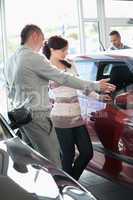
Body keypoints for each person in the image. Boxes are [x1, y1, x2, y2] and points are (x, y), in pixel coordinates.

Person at [4, 24, 115, 169]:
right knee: (54, 163)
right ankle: (60, 190)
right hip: (38, 116)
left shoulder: (10, 59)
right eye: (42, 40)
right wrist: (95, 85)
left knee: (35, 163)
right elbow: (63, 78)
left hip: (22, 117)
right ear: (35, 36)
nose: (42, 45)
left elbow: (9, 90)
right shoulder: (34, 57)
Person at [42, 35, 112, 180]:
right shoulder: (47, 69)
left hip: (77, 117)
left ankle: (69, 183)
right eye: (63, 50)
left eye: (66, 50)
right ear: (52, 50)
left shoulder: (71, 64)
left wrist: (98, 97)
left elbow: (81, 87)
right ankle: (65, 189)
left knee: (87, 153)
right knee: (68, 156)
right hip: (60, 119)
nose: (66, 53)